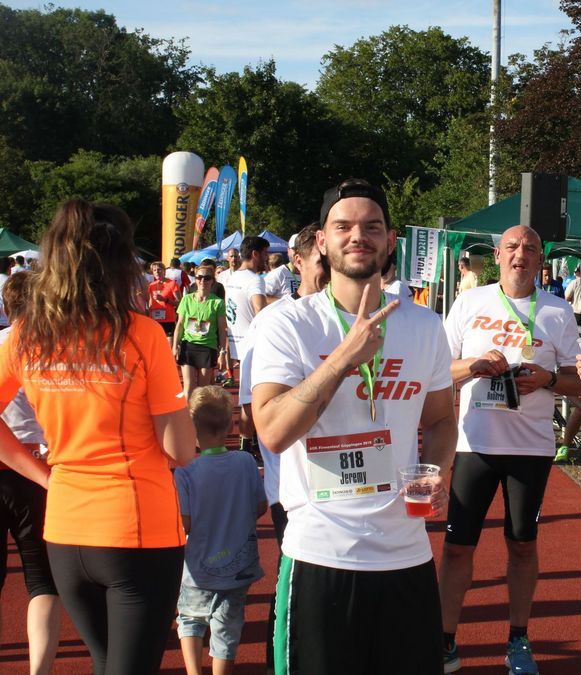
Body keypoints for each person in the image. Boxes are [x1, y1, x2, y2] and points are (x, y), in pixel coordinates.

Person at [251, 178, 457, 674]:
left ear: (390, 241)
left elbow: (441, 419)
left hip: (406, 556)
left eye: (372, 226)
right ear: (322, 241)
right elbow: (272, 431)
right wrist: (344, 357)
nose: (358, 236)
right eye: (343, 226)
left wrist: (436, 470)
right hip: (321, 553)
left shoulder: (426, 326)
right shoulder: (287, 324)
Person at [0, 199, 196, 674]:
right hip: (136, 529)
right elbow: (180, 450)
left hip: (65, 529)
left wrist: (44, 476)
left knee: (106, 662)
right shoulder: (141, 335)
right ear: (119, 263)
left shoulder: (26, 334)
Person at [439, 224, 581, 674]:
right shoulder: (469, 302)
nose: (521, 254)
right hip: (475, 445)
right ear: (498, 255)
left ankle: (518, 639)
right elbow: (438, 368)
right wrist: (474, 366)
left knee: (522, 546)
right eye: (513, 247)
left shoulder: (558, 311)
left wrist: (548, 379)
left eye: (531, 248)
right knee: (458, 548)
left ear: (541, 259)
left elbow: (580, 385)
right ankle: (444, 640)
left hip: (531, 450)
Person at [238, 223, 326, 673]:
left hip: (354, 481)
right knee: (295, 588)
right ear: (298, 261)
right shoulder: (274, 321)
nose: (331, 270)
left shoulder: (361, 318)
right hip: (292, 483)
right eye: (321, 262)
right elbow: (250, 408)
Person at [175, 385, 266, 675]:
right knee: (227, 627)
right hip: (239, 567)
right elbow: (260, 505)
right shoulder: (246, 462)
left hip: (198, 567)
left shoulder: (185, 472)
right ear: (230, 425)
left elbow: (185, 523)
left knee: (189, 619)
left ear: (191, 428)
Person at [0, 272, 63, 675]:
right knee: (42, 580)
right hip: (36, 467)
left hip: (13, 462)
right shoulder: (51, 348)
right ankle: (38, 670)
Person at [224, 236, 268, 454]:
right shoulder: (255, 280)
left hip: (239, 346)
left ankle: (250, 444)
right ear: (255, 254)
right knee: (255, 399)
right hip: (255, 347)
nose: (267, 259)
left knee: (248, 398)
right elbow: (260, 310)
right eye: (265, 254)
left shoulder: (231, 278)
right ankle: (249, 446)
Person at [173, 262, 229, 400]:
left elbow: (222, 330)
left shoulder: (217, 302)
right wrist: (175, 346)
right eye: (199, 277)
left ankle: (199, 412)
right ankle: (188, 414)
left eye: (207, 278)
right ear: (196, 279)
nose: (203, 281)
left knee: (202, 391)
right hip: (188, 345)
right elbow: (180, 324)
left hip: (208, 347)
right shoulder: (186, 299)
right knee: (189, 388)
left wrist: (222, 352)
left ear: (212, 281)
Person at [149, 260, 182, 337]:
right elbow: (150, 302)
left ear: (164, 271)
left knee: (168, 344)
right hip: (155, 320)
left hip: (168, 320)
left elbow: (180, 303)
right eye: (154, 270)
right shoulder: (151, 285)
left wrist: (165, 300)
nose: (157, 272)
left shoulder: (172, 284)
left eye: (159, 269)